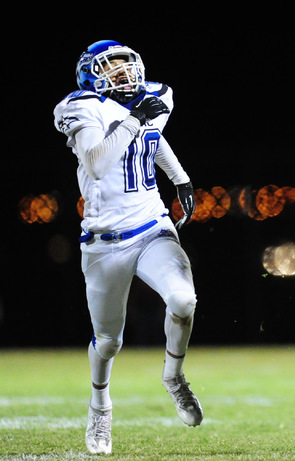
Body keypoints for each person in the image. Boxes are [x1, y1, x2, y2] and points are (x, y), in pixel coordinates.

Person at [53, 40, 203, 455]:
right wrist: (135, 120)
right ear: (92, 74)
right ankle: (100, 405)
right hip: (103, 242)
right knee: (108, 341)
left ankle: (173, 376)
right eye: (112, 68)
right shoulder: (82, 107)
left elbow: (151, 137)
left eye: (127, 66)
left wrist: (180, 177)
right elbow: (98, 162)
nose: (124, 74)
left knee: (183, 299)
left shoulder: (154, 98)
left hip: (151, 225)